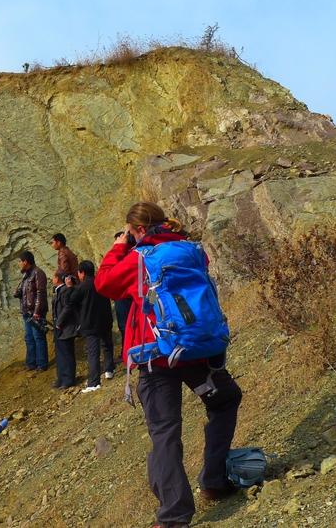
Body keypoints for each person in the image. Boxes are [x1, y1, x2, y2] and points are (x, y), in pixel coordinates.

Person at [94, 201, 242, 528]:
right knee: (225, 398)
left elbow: (104, 284)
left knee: (165, 432)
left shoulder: (138, 258)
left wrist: (119, 248)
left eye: (131, 232)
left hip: (154, 355)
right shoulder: (192, 250)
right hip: (194, 351)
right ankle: (215, 479)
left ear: (140, 230)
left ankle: (174, 516)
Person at [66, 260, 114, 392]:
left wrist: (70, 287)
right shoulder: (100, 281)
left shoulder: (83, 286)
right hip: (105, 319)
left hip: (91, 323)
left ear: (82, 273)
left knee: (93, 353)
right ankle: (109, 370)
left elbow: (70, 301)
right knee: (107, 346)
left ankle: (94, 383)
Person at [13, 251, 49, 372]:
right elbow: (25, 292)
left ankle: (41, 364)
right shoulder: (27, 275)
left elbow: (41, 293)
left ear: (25, 262)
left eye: (19, 261)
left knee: (38, 337)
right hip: (26, 312)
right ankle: (31, 363)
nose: (18, 264)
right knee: (29, 338)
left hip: (35, 312)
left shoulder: (38, 273)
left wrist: (37, 311)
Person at [51, 272, 78, 389]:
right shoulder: (59, 291)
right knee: (60, 353)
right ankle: (61, 377)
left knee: (66, 353)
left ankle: (68, 379)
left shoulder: (64, 291)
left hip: (65, 327)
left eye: (53, 277)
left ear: (57, 278)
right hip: (60, 327)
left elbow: (68, 307)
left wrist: (59, 322)